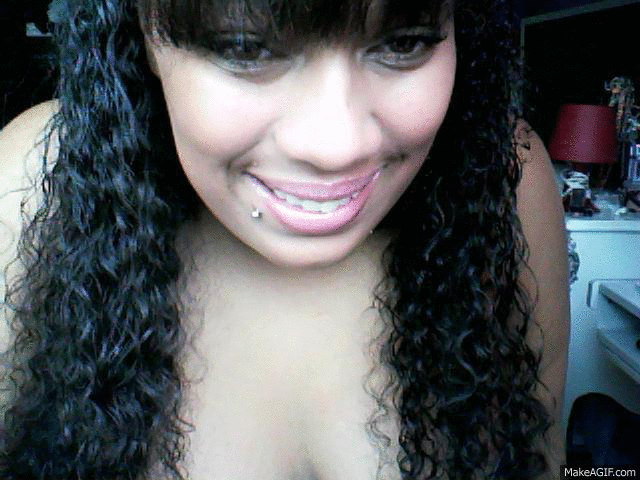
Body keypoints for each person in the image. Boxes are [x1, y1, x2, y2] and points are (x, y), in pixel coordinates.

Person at [0, 0, 570, 478]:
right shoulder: (37, 182)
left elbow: (542, 458)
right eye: (245, 48)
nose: (336, 146)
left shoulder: (501, 177)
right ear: (145, 34)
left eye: (405, 43)